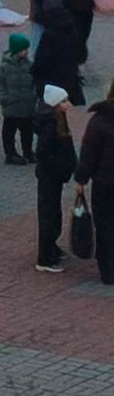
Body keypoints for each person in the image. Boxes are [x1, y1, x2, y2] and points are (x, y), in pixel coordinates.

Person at [74, 79, 114, 286]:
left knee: (105, 225)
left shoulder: (100, 120)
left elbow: (89, 154)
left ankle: (108, 270)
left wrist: (81, 179)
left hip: (105, 183)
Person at [33, 85, 77, 273]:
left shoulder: (58, 120)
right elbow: (43, 152)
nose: (68, 104)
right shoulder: (51, 124)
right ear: (56, 104)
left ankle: (51, 246)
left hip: (54, 176)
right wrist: (60, 166)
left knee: (53, 212)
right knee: (48, 215)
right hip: (50, 176)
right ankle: (45, 258)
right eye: (64, 101)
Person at [32, 0, 85, 106]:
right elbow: (80, 51)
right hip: (69, 75)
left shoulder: (50, 33)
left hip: (52, 79)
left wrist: (34, 72)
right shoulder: (72, 28)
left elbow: (41, 58)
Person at [0, 33, 36, 165]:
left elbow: (35, 82)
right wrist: (4, 99)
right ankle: (10, 153)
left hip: (27, 104)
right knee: (9, 131)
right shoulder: (5, 67)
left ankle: (28, 151)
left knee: (27, 131)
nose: (26, 52)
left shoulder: (29, 65)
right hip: (11, 105)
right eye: (24, 49)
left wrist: (34, 95)